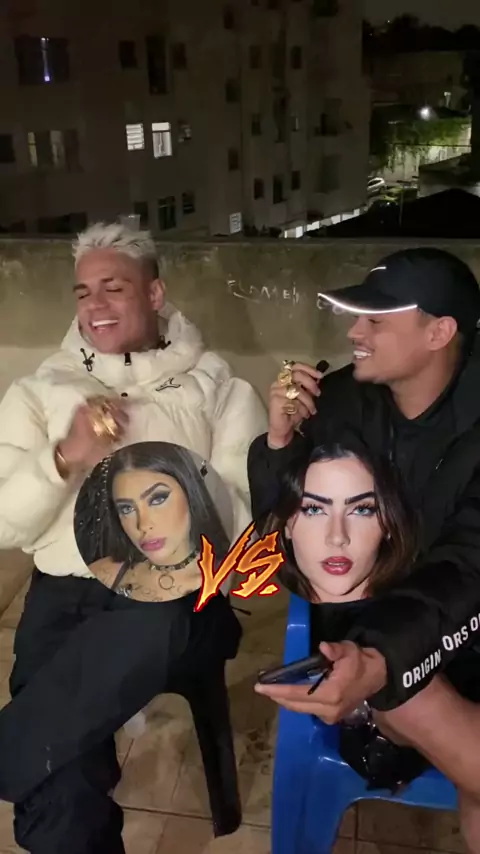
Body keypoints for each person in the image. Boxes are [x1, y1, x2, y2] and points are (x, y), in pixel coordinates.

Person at [0, 222, 267, 853]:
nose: (94, 304)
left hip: (175, 596)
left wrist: (172, 496)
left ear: (154, 293)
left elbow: (245, 528)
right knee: (62, 776)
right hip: (64, 593)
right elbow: (6, 523)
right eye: (82, 292)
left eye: (113, 288)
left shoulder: (219, 388)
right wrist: (63, 458)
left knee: (136, 636)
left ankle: (11, 747)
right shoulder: (39, 391)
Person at [249, 247, 480, 849]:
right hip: (377, 633)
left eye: (376, 321)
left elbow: (469, 565)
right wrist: (280, 443)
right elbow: (277, 534)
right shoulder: (339, 404)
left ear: (439, 332)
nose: (354, 332)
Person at [76, 441, 232, 602]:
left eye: (158, 499)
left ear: (189, 493)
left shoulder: (225, 580)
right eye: (127, 508)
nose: (143, 525)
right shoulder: (103, 573)